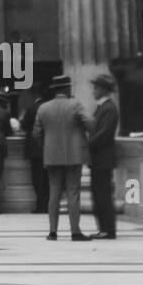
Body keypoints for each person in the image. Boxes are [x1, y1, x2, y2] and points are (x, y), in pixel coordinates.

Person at [33, 74, 91, 241]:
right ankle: (75, 231)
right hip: (73, 155)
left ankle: (52, 231)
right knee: (73, 192)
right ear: (67, 88)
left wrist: (46, 147)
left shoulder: (43, 108)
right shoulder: (75, 105)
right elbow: (90, 123)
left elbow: (36, 133)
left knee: (54, 192)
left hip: (51, 155)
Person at [88, 74, 119, 239]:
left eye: (96, 88)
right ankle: (103, 229)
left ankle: (108, 230)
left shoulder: (109, 108)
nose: (93, 91)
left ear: (103, 90)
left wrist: (87, 145)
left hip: (103, 159)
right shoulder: (102, 108)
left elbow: (104, 134)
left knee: (103, 195)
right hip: (98, 159)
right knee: (98, 195)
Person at [20, 81, 50, 212]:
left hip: (35, 149)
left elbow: (25, 126)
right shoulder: (49, 107)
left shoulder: (32, 109)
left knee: (38, 179)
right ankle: (48, 205)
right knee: (48, 179)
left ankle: (41, 206)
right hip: (49, 148)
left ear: (34, 95)